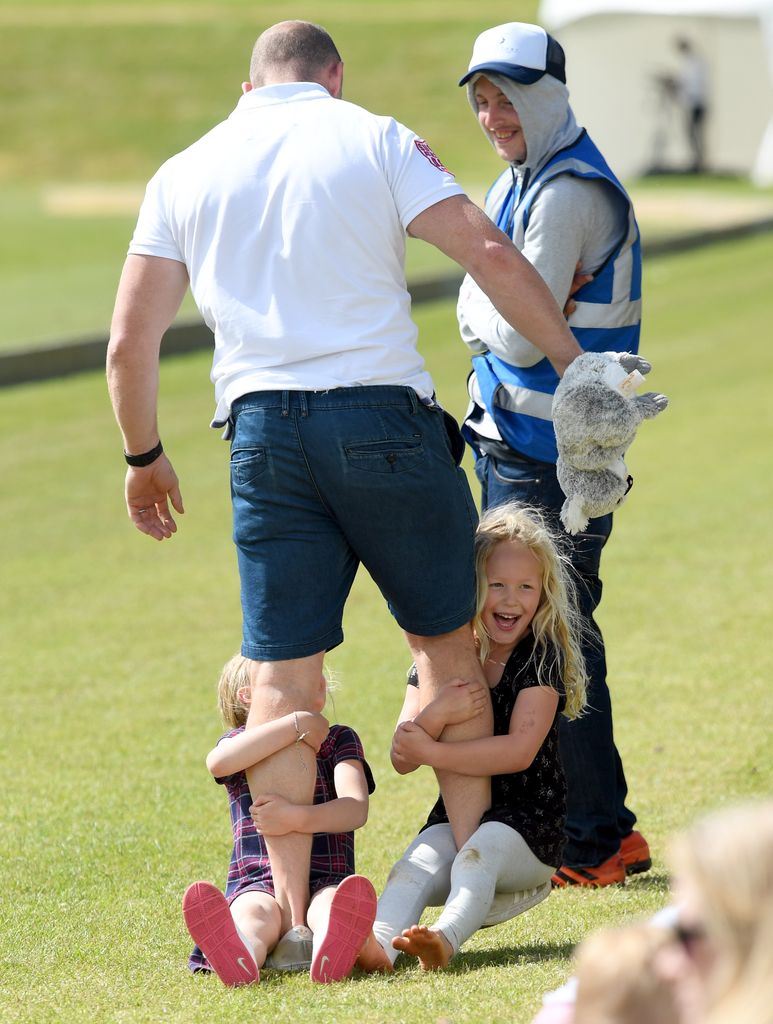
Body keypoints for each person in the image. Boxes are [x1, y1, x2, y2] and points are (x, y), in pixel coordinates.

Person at [106, 19, 583, 933]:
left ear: (250, 90)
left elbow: (132, 340)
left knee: (283, 684)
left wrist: (142, 456)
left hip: (259, 434)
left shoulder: (185, 168)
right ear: (332, 78)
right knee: (447, 653)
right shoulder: (373, 134)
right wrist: (575, 372)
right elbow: (485, 250)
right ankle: (461, 880)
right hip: (382, 419)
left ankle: (285, 919)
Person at [455, 20, 649, 887]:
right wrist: (488, 297)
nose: (493, 115)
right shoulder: (521, 178)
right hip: (518, 443)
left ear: (547, 96)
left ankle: (596, 837)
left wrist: (489, 302)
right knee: (547, 639)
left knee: (555, 644)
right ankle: (593, 831)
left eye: (507, 97)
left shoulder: (565, 190)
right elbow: (485, 298)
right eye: (482, 100)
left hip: (548, 458)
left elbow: (512, 337)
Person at [368, 501, 587, 971]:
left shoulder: (540, 655)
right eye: (497, 586)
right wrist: (438, 713)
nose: (511, 600)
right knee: (413, 867)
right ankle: (377, 947)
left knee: (480, 852)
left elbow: (518, 751)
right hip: (459, 810)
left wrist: (436, 750)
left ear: (544, 594)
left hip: (530, 827)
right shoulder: (446, 654)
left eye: (526, 587)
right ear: (470, 588)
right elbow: (402, 755)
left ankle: (443, 940)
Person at [182, 654, 387, 984]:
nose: (315, 679)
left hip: (326, 879)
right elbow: (217, 763)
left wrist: (295, 818)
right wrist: (297, 725)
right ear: (249, 695)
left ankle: (331, 948)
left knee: (332, 906)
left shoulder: (337, 739)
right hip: (258, 881)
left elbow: (355, 809)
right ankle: (242, 954)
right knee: (252, 914)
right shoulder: (240, 743)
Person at [673, 38, 709, 174]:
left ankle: (699, 163)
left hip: (696, 103)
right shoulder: (690, 62)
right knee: (693, 134)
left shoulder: (694, 63)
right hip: (692, 103)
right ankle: (696, 161)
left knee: (695, 134)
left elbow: (692, 85)